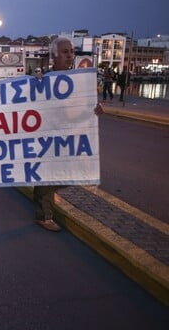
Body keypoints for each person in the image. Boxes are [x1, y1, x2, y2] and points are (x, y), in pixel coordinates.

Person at [32, 37, 104, 232]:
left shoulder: (78, 83)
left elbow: (79, 111)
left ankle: (44, 195)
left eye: (72, 51)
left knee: (67, 175)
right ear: (54, 56)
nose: (70, 55)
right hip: (48, 139)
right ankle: (44, 215)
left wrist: (94, 110)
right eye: (65, 52)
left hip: (67, 138)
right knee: (50, 176)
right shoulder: (42, 81)